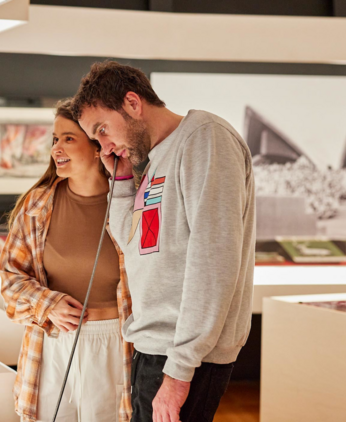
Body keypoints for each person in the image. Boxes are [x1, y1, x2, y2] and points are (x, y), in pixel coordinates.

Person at [71, 61, 256, 422]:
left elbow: (213, 262)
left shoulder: (205, 139)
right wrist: (122, 183)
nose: (104, 146)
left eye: (103, 129)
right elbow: (134, 244)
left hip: (183, 356)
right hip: (155, 348)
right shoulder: (156, 159)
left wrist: (180, 370)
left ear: (132, 103)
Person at [0, 99, 134, 422]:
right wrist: (48, 303)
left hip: (116, 345)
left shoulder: (132, 202)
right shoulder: (38, 203)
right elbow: (10, 277)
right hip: (52, 344)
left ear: (99, 145)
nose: (56, 148)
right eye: (55, 139)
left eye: (68, 138)